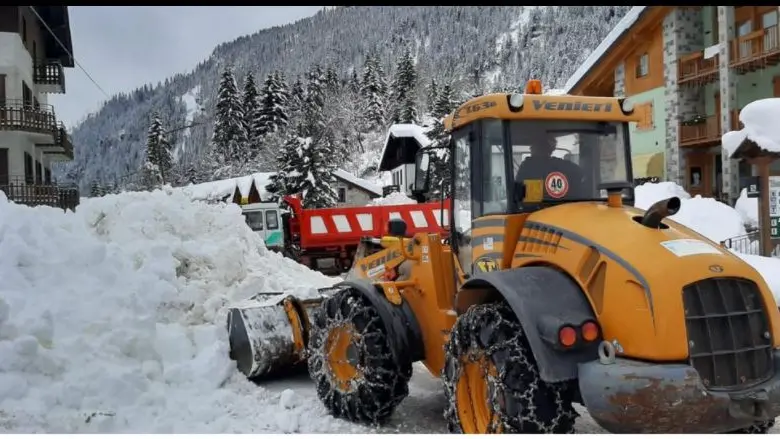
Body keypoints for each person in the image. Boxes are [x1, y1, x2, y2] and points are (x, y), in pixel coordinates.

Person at [514, 134, 584, 199]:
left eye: (533, 146)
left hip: (534, 208)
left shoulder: (527, 166)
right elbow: (579, 173)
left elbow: (518, 192)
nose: (530, 149)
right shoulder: (561, 164)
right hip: (561, 206)